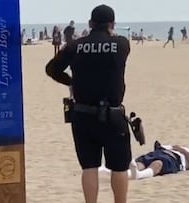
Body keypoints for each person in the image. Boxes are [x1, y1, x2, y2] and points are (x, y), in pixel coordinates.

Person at [45, 4, 131, 203]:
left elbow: (52, 69)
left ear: (91, 23)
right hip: (113, 113)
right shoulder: (122, 44)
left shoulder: (76, 45)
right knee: (119, 166)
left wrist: (72, 82)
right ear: (112, 24)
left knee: (89, 166)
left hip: (83, 113)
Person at [100, 140, 189, 179]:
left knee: (158, 164)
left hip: (173, 159)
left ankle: (139, 175)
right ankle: (121, 173)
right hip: (159, 151)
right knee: (140, 163)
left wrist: (182, 150)